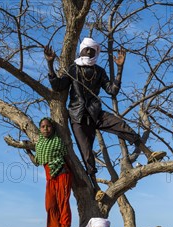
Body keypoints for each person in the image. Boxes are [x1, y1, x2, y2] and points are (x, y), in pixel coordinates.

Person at [45, 37, 165, 191]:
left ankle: (149, 154)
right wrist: (50, 63)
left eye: (91, 49)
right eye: (86, 48)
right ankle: (96, 188)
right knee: (87, 153)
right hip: (78, 117)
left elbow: (112, 90)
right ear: (81, 49)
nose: (88, 51)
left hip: (96, 114)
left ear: (96, 52)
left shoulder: (99, 71)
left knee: (121, 125)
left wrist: (120, 69)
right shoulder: (73, 69)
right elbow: (57, 86)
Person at [25, 117, 73, 227]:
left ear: (53, 128)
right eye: (43, 126)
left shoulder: (58, 141)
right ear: (40, 129)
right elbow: (37, 162)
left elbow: (67, 158)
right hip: (50, 178)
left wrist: (77, 177)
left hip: (62, 174)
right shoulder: (39, 144)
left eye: (48, 126)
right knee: (50, 206)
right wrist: (28, 151)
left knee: (63, 203)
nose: (46, 129)